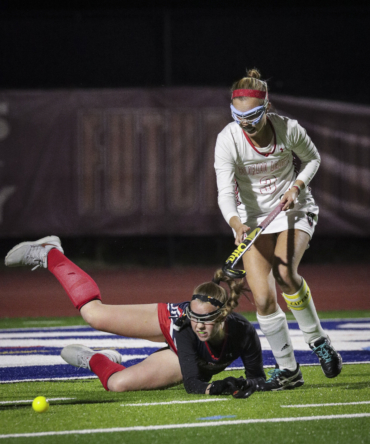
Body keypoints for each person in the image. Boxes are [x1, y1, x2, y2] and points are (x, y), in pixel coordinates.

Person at [5, 236, 268, 397]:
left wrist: (242, 383)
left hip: (186, 356)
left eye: (206, 321)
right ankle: (50, 253)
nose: (199, 325)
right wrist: (221, 387)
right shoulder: (189, 327)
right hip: (171, 325)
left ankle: (97, 358)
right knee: (94, 315)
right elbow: (193, 385)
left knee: (117, 384)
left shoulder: (243, 332)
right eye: (194, 318)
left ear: (221, 319)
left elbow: (257, 378)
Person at [214, 68, 342, 389]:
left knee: (286, 274)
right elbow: (224, 190)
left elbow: (312, 159)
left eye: (253, 116)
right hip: (251, 220)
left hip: (294, 209)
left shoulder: (289, 129)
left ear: (267, 106)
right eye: (238, 116)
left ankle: (318, 341)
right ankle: (289, 370)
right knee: (262, 299)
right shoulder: (227, 140)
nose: (245, 122)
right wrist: (235, 221)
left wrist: (296, 186)